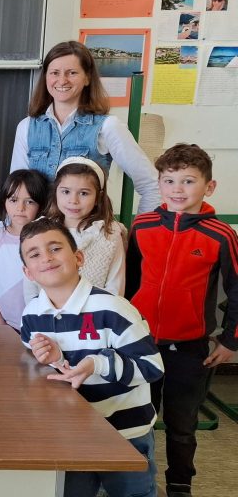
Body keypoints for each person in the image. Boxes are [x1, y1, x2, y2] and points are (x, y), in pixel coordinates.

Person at [20, 218, 163, 497]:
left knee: (133, 493)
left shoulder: (113, 308)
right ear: (28, 272)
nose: (46, 258)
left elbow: (152, 366)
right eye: (34, 254)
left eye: (55, 248)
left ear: (78, 258)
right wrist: (56, 358)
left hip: (124, 432)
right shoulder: (32, 315)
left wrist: (98, 363)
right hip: (72, 432)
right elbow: (46, 364)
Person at [126, 144, 238, 497]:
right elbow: (129, 283)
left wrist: (230, 341)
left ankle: (179, 483)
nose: (177, 189)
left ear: (209, 186)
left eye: (188, 181)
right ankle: (133, 480)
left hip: (189, 350)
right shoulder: (142, 226)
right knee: (136, 418)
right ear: (159, 184)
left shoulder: (221, 235)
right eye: (169, 180)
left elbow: (237, 290)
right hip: (140, 344)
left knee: (181, 424)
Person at [9, 41, 159, 213]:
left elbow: (152, 185)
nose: (62, 80)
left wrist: (142, 228)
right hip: (38, 229)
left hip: (88, 230)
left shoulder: (108, 126)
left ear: (87, 77)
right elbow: (16, 191)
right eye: (55, 73)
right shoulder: (27, 126)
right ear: (45, 78)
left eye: (72, 73)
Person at [0, 169, 47, 330]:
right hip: (8, 325)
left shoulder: (47, 239)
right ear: (4, 201)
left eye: (29, 202)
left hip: (44, 325)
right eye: (14, 200)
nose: (20, 208)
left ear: (40, 205)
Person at [46, 157, 126, 295]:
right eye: (66, 191)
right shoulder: (42, 231)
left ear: (98, 198)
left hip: (97, 308)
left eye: (83, 193)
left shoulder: (110, 234)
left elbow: (115, 288)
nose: (73, 201)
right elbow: (32, 286)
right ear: (55, 192)